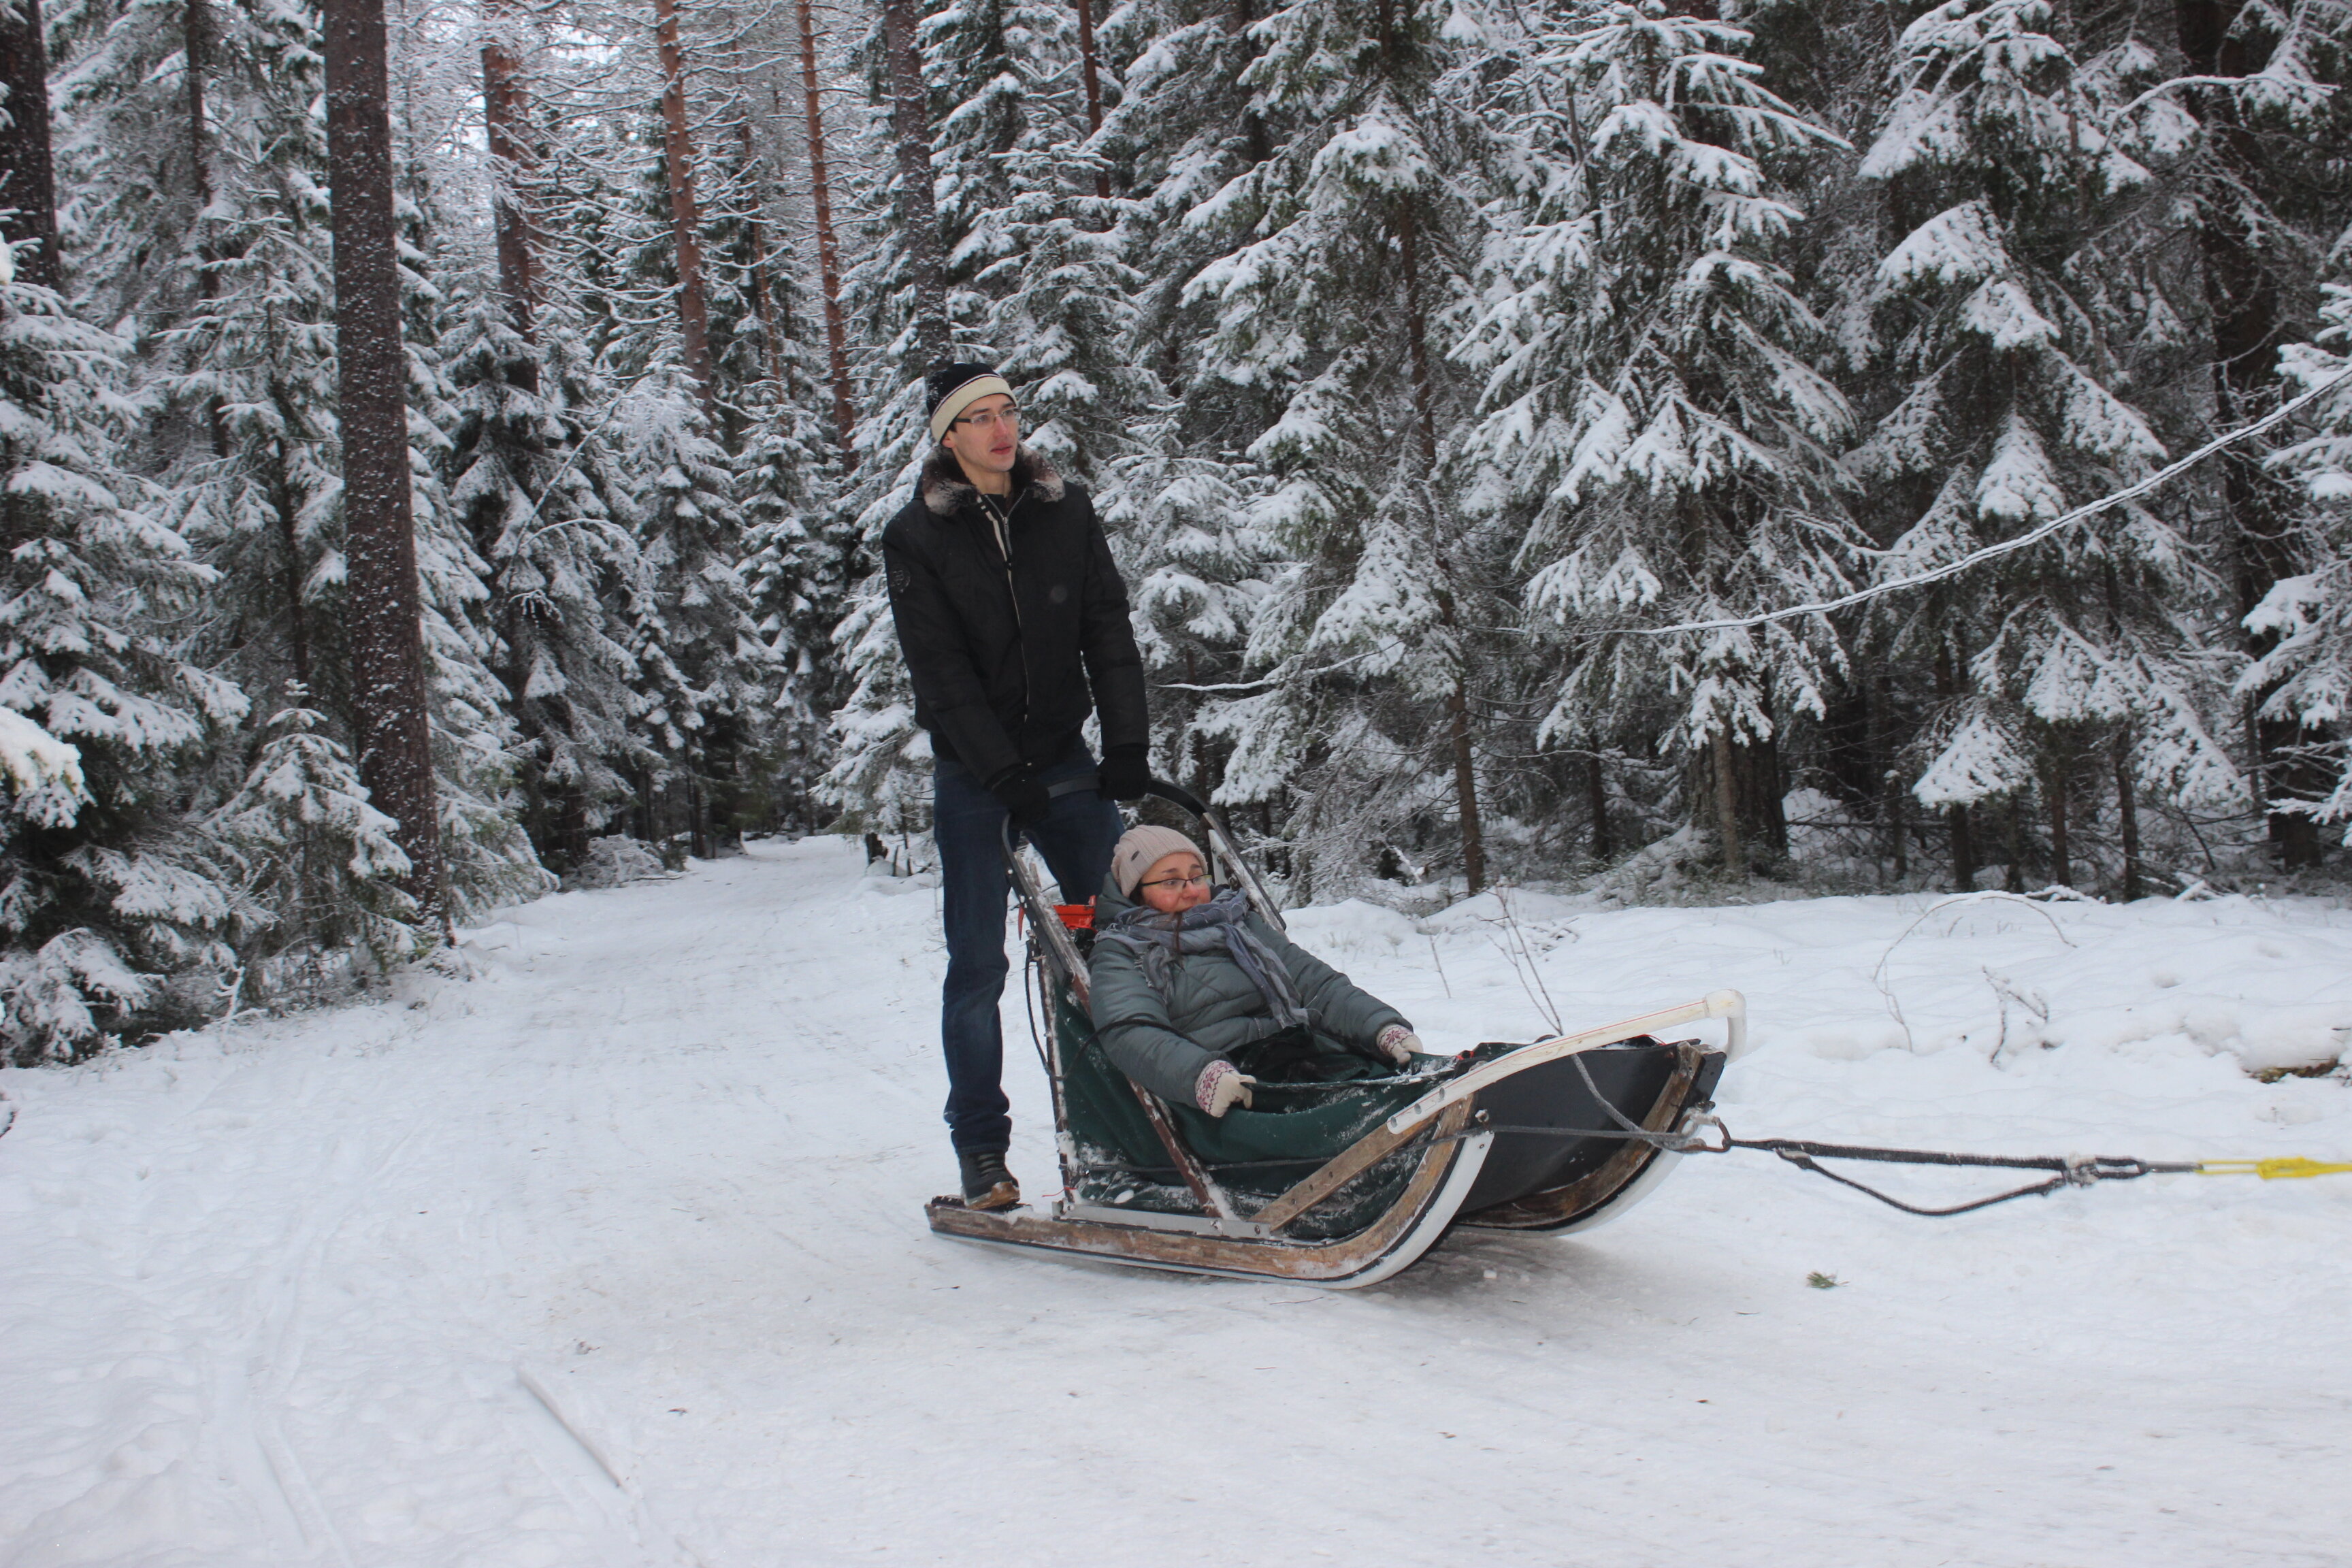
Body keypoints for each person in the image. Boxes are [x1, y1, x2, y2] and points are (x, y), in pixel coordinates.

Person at [883, 363, 1152, 1211]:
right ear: (948, 437)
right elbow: (941, 674)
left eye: (1009, 413)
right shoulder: (916, 538)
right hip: (977, 776)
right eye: (980, 418)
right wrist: (1002, 775)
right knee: (977, 966)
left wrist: (1128, 744)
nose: (1003, 430)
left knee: (1127, 938)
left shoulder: (1064, 511)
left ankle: (1140, 1133)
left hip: (1068, 763)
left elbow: (1107, 629)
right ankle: (983, 1155)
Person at [1088, 826, 1425, 1117]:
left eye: (1196, 876)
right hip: (1231, 1082)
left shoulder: (1239, 922)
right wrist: (1203, 1075)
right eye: (1171, 881)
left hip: (1297, 1052)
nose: (1191, 890)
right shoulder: (1123, 950)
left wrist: (1381, 1025)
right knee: (1348, 1113)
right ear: (1137, 893)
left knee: (1391, 1085)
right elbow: (1131, 1031)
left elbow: (1314, 983)